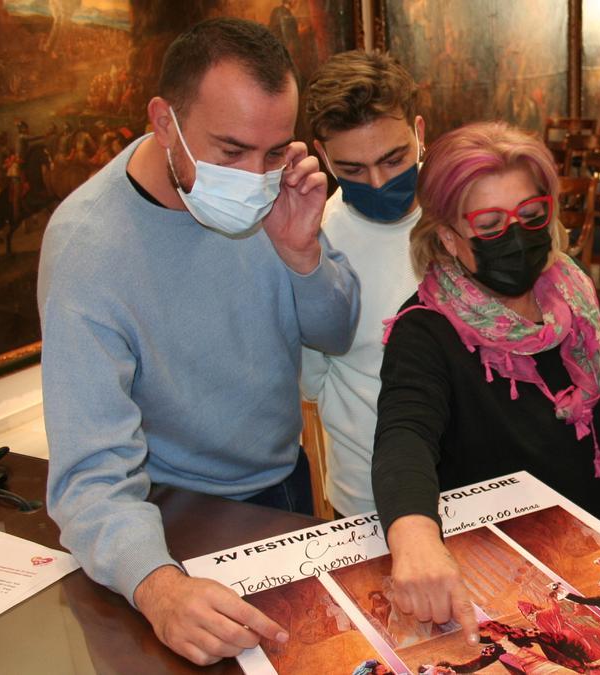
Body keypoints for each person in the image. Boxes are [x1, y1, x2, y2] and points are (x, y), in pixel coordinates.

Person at [37, 18, 360, 666]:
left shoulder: (278, 197)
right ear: (164, 121)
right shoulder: (88, 248)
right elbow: (89, 474)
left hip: (282, 483)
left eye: (274, 153)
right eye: (231, 150)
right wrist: (156, 586)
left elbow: (335, 331)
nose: (254, 176)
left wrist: (302, 256)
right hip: (167, 517)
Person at [372, 121, 600, 644]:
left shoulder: (571, 293)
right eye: (489, 225)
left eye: (531, 216)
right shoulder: (426, 329)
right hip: (504, 585)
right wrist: (414, 533)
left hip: (593, 555)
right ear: (449, 237)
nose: (516, 238)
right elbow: (404, 436)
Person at [301, 50, 425, 517]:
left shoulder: (460, 214)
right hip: (366, 497)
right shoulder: (312, 243)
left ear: (419, 132)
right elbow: (310, 384)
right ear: (323, 156)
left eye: (394, 159)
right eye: (352, 170)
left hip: (473, 482)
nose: (377, 182)